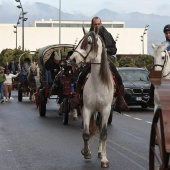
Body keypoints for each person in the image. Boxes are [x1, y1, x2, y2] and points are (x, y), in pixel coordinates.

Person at [71, 16, 128, 113]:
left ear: (101, 24)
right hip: (93, 59)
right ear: (92, 25)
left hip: (106, 59)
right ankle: (77, 96)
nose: (97, 26)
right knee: (82, 75)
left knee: (117, 76)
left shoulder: (107, 35)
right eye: (95, 24)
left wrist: (106, 50)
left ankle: (121, 99)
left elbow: (114, 49)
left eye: (98, 24)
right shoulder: (88, 36)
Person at [147, 24, 170, 107]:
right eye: (166, 33)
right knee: (154, 77)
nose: (168, 34)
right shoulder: (163, 44)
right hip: (164, 66)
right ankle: (151, 97)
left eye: (169, 33)